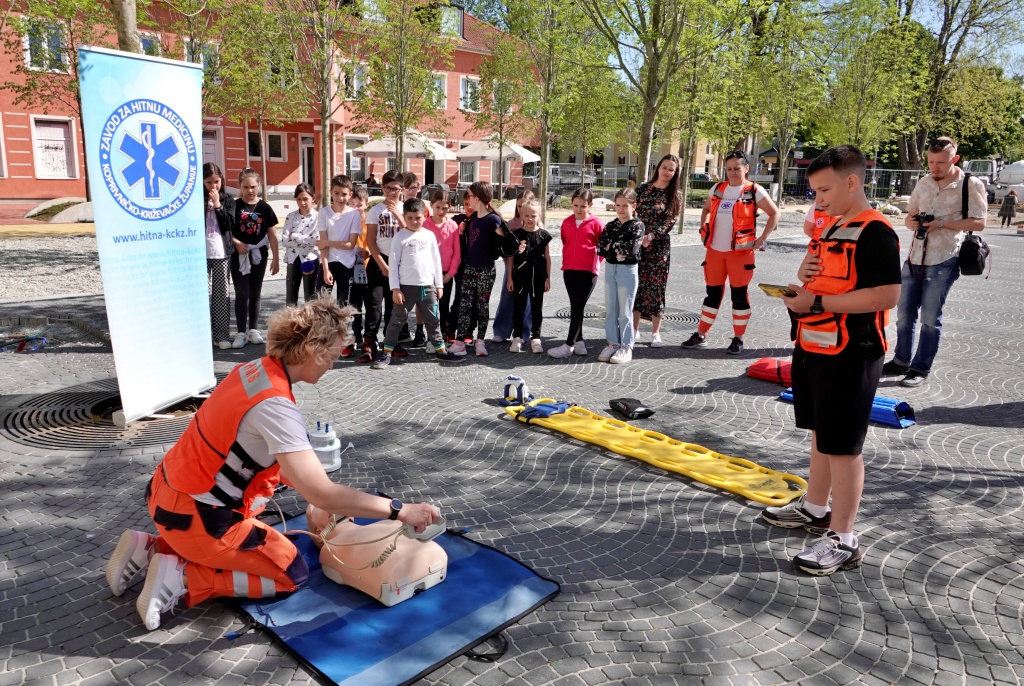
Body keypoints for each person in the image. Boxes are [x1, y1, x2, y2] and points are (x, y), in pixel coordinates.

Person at [105, 297, 441, 630]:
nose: (332, 366)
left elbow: (259, 456)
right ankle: (183, 577)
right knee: (290, 573)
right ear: (313, 350)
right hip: (201, 519)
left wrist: (317, 489)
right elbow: (321, 493)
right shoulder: (276, 405)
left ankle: (149, 548)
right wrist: (400, 510)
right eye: (333, 356)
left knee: (234, 533)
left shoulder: (252, 370)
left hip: (167, 496)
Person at [762, 145, 901, 576]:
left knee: (843, 447)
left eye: (823, 190)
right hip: (815, 344)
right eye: (814, 191)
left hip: (851, 352)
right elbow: (818, 280)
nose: (817, 199)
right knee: (822, 432)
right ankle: (816, 507)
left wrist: (817, 298)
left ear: (851, 182)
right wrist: (798, 293)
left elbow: (885, 296)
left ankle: (844, 538)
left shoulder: (876, 231)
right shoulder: (833, 227)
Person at [881, 136, 987, 387]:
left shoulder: (970, 184)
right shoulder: (924, 183)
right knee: (904, 315)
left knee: (930, 318)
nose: (935, 167)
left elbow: (979, 222)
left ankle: (920, 368)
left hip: (944, 258)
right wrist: (913, 222)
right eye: (931, 161)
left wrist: (941, 223)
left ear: (955, 159)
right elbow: (909, 218)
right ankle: (900, 361)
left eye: (941, 162)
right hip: (915, 257)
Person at [681, 150, 781, 355]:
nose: (733, 173)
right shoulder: (718, 188)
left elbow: (774, 214)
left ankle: (738, 338)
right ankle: (701, 334)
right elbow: (706, 210)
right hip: (715, 252)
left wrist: (762, 239)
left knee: (739, 296)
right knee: (712, 295)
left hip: (740, 254)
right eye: (729, 169)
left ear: (746, 168)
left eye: (737, 168)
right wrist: (704, 229)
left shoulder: (755, 190)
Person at [372, 198, 464, 368]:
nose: (414, 221)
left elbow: (436, 261)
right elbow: (393, 264)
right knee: (397, 321)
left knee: (433, 320)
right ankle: (386, 353)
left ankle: (441, 351)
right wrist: (395, 289)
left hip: (427, 287)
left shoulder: (429, 235)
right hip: (405, 288)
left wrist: (439, 285)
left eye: (418, 218)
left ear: (424, 216)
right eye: (410, 218)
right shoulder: (400, 237)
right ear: (404, 217)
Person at [449, 181, 509, 357]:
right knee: (464, 305)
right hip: (469, 269)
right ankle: (460, 341)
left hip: (486, 270)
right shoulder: (473, 218)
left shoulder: (493, 220)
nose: (467, 199)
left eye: (469, 195)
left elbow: (506, 241)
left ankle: (480, 341)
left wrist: (515, 247)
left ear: (477, 198)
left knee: (482, 306)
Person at [548, 188, 604, 359]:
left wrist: (592, 263)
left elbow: (602, 248)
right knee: (575, 307)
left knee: (577, 307)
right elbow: (566, 241)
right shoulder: (566, 222)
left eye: (583, 206)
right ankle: (579, 342)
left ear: (590, 205)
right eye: (575, 205)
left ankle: (568, 345)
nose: (579, 210)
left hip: (588, 272)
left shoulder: (597, 224)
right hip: (569, 271)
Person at [632, 155, 682, 347]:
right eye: (664, 167)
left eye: (671, 169)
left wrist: (651, 237)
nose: (667, 172)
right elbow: (633, 211)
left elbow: (670, 221)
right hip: (637, 244)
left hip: (659, 247)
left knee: (657, 287)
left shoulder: (675, 194)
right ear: (658, 167)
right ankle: (634, 329)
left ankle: (655, 333)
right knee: (637, 285)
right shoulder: (644, 189)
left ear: (675, 173)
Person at [230, 168, 280, 348]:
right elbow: (226, 231)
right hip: (240, 255)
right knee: (242, 292)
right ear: (240, 187)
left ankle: (253, 329)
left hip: (259, 255)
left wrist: (276, 259)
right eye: (246, 187)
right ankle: (241, 332)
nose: (250, 190)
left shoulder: (264, 208)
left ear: (258, 186)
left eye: (253, 186)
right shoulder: (234, 206)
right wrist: (236, 242)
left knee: (255, 292)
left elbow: (272, 235)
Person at [596, 188, 645, 364]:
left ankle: (626, 345)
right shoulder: (611, 225)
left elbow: (632, 250)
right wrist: (617, 248)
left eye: (625, 205)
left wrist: (612, 246)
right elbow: (600, 248)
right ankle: (612, 343)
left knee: (625, 310)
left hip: (627, 270)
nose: (621, 209)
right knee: (611, 309)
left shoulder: (638, 225)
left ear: (634, 206)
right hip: (610, 268)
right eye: (618, 205)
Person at [363, 170, 408, 362]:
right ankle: (369, 341)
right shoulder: (375, 211)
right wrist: (382, 265)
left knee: (394, 307)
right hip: (378, 261)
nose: (391, 192)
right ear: (382, 188)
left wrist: (398, 215)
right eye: (388, 188)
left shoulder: (406, 208)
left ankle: (391, 342)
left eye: (395, 189)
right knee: (374, 304)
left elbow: (410, 234)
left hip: (399, 262)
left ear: (402, 189)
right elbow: (370, 241)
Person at [316, 175, 363, 354]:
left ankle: (345, 342)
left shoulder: (353, 215)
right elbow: (322, 243)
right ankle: (323, 339)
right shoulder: (324, 213)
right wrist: (326, 267)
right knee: (322, 305)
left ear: (350, 194)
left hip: (347, 263)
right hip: (329, 263)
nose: (340, 197)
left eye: (344, 194)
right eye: (336, 193)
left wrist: (328, 243)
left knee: (344, 305)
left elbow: (350, 244)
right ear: (331, 193)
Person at [506, 198, 552, 353]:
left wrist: (547, 278)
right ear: (522, 215)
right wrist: (510, 278)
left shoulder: (544, 235)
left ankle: (536, 337)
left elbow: (548, 258)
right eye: (527, 216)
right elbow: (511, 258)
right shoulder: (516, 235)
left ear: (539, 216)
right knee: (518, 307)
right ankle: (517, 337)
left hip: (538, 277)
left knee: (536, 308)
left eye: (534, 216)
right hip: (520, 276)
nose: (530, 219)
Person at [492, 191, 535, 344]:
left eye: (524, 206)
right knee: (507, 297)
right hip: (512, 268)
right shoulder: (511, 224)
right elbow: (505, 250)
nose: (521, 210)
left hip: (529, 270)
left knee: (527, 301)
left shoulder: (536, 224)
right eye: (518, 206)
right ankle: (501, 331)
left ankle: (523, 332)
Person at [202, 163, 235, 350]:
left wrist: (217, 205)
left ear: (222, 179)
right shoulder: (197, 200)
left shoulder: (228, 200)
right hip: (201, 253)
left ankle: (221, 335)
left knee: (221, 294)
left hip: (221, 251)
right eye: (209, 183)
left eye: (216, 181)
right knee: (202, 294)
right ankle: (204, 334)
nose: (213, 186)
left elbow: (229, 224)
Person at [424, 189, 461, 343]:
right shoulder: (425, 224)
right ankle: (431, 335)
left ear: (449, 207)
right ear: (432, 205)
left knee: (444, 305)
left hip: (446, 273)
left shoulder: (452, 225)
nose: (441, 211)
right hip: (428, 273)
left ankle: (445, 333)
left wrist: (451, 273)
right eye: (438, 207)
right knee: (430, 306)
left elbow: (457, 253)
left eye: (444, 208)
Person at [281, 183, 320, 308]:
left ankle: (311, 324)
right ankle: (290, 324)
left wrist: (295, 236)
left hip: (310, 259)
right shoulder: (290, 216)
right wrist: (305, 240)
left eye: (305, 199)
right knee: (291, 296)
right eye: (299, 199)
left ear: (313, 198)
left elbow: (316, 240)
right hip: (293, 259)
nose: (302, 203)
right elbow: (285, 240)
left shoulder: (318, 217)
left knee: (310, 296)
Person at [401, 172, 427, 346]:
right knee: (401, 296)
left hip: (419, 258)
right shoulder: (399, 207)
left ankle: (419, 330)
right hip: (402, 257)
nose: (412, 191)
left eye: (415, 187)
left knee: (420, 298)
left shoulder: (424, 207)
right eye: (408, 187)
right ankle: (402, 329)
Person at [348, 187, 371, 358]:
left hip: (368, 266)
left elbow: (373, 240)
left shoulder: (369, 222)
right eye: (353, 204)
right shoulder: (347, 221)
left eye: (360, 205)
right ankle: (356, 334)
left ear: (366, 204)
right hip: (352, 268)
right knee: (354, 303)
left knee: (369, 303)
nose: (356, 208)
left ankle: (369, 338)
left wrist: (368, 252)